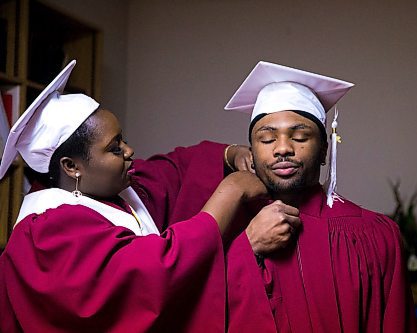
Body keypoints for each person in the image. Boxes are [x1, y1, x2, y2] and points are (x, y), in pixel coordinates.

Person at [0, 60, 300, 332]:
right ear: (72, 167)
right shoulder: (46, 234)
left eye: (124, 140)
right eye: (115, 148)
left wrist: (229, 154)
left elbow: (172, 171)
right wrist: (233, 193)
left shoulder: (109, 190)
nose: (129, 151)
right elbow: (155, 275)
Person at [219, 61, 417, 332]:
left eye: (300, 137)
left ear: (324, 150)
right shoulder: (229, 231)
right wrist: (246, 249)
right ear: (251, 153)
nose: (283, 148)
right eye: (267, 140)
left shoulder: (375, 234)